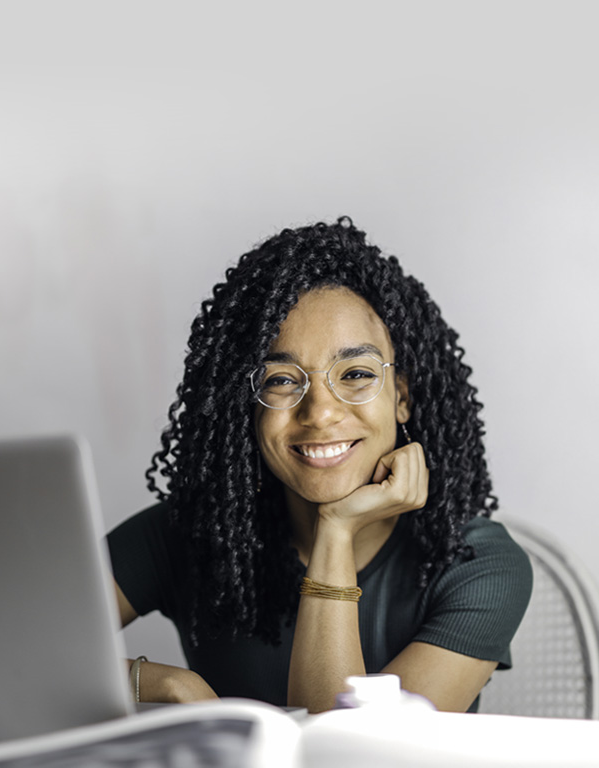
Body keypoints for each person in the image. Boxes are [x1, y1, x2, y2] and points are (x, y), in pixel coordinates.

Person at [108, 217, 533, 714]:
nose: (321, 412)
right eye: (282, 380)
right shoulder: (188, 533)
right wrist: (166, 684)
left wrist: (336, 530)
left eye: (355, 374)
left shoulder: (476, 563)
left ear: (402, 397)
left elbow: (350, 755)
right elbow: (5, 651)